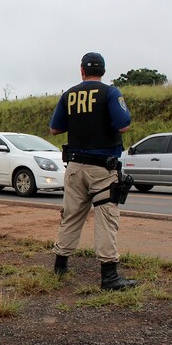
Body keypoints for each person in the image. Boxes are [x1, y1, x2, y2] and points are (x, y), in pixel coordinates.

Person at [49, 52, 138, 291]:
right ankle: (109, 276)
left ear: (82, 70)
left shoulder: (69, 94)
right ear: (104, 71)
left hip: (75, 167)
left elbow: (55, 129)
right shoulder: (111, 92)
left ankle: (60, 265)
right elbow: (124, 124)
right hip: (102, 168)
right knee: (106, 218)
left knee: (71, 215)